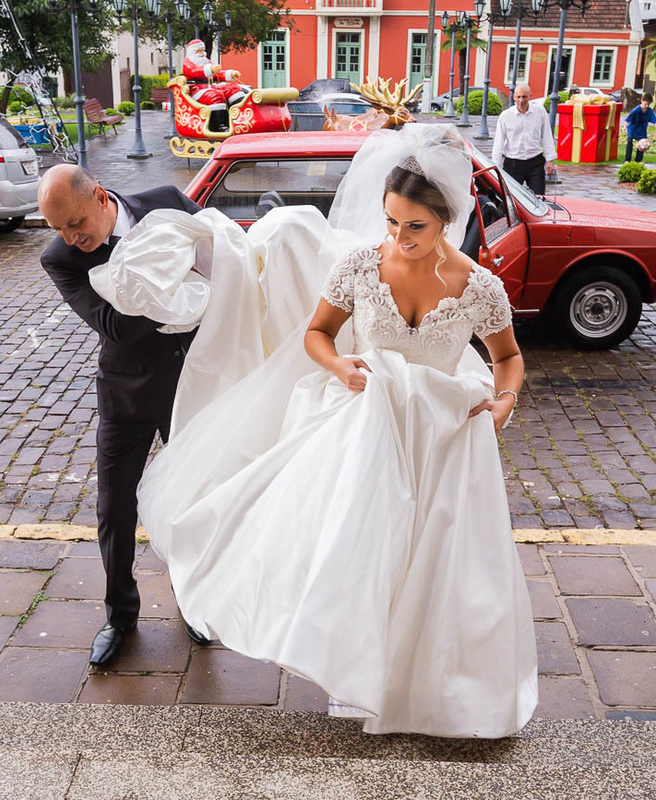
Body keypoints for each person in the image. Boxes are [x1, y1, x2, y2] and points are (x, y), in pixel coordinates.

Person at [98, 126, 538, 737]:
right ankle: (363, 674)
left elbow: (508, 357)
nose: (400, 237)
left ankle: (435, 692)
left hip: (445, 438)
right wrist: (338, 365)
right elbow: (317, 334)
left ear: (447, 219)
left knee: (442, 568)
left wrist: (504, 401)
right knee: (356, 555)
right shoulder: (359, 266)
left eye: (415, 226)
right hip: (368, 426)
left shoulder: (479, 287)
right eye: (391, 222)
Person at [36, 165, 211, 666]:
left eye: (75, 223)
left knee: (189, 502)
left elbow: (220, 254)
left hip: (192, 386)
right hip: (126, 392)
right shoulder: (60, 258)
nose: (71, 238)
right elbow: (114, 325)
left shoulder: (167, 201)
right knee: (114, 509)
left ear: (99, 196)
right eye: (58, 229)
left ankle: (194, 602)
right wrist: (180, 283)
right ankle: (119, 617)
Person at [491, 82, 557, 195]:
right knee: (510, 197)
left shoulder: (540, 113)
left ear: (530, 96)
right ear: (514, 97)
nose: (521, 100)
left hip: (535, 161)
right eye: (518, 97)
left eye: (524, 97)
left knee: (539, 197)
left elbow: (547, 136)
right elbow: (499, 142)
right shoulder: (505, 116)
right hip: (513, 163)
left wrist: (550, 159)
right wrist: (495, 165)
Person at [623, 93, 656, 163]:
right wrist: (624, 127)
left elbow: (654, 120)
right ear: (642, 100)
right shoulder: (636, 110)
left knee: (643, 143)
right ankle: (627, 159)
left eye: (648, 104)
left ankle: (638, 159)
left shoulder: (649, 111)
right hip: (633, 129)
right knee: (629, 142)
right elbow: (628, 119)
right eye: (645, 104)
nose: (646, 106)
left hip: (642, 130)